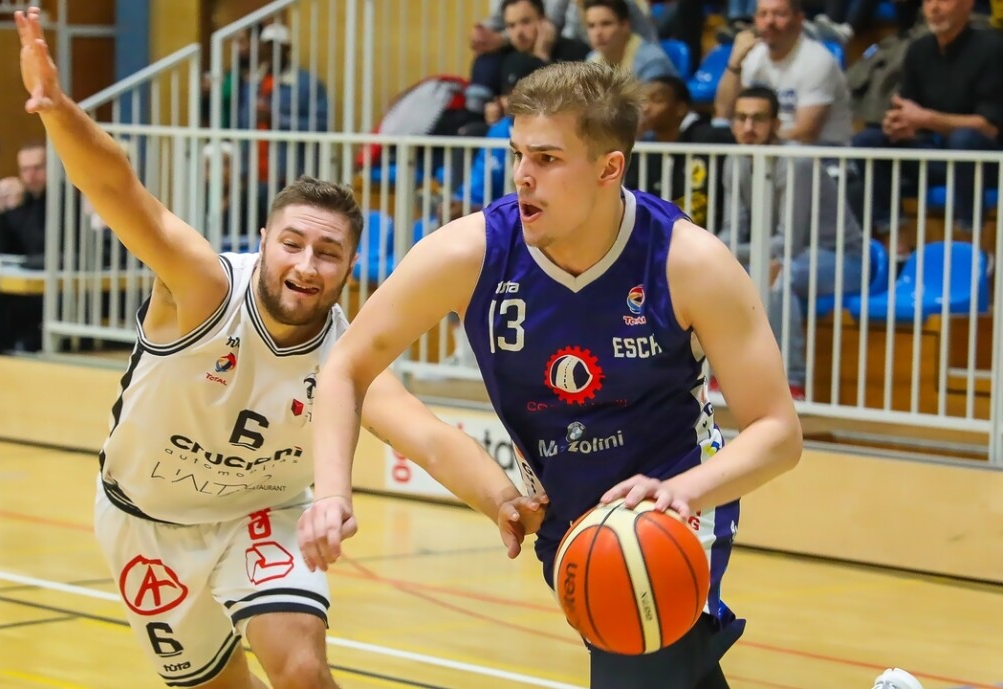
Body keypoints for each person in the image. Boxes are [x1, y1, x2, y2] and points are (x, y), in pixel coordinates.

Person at [13, 7, 546, 689]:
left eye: (329, 252)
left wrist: (500, 497)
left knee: (302, 671)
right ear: (264, 241)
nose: (306, 265)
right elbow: (118, 187)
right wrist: (58, 111)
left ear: (350, 268)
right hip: (146, 522)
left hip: (264, 514)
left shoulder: (343, 354)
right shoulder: (203, 288)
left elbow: (428, 436)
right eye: (292, 243)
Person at [298, 60, 804, 689]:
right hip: (565, 518)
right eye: (518, 154)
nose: (522, 175)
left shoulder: (689, 262)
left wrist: (684, 492)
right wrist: (332, 494)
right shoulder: (470, 252)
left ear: (609, 168)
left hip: (674, 509)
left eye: (546, 158)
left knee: (640, 673)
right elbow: (346, 367)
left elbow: (778, 432)